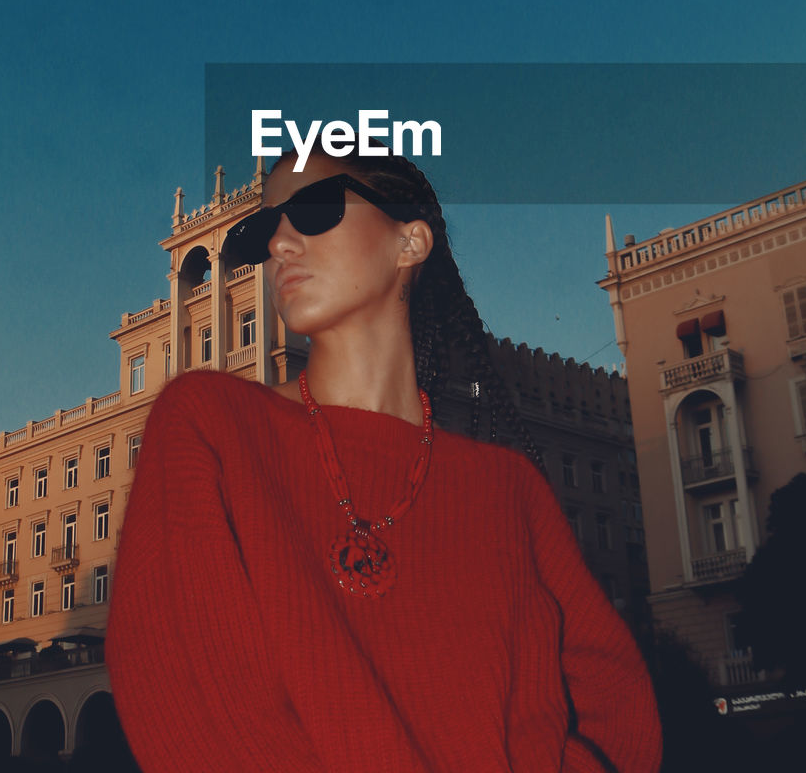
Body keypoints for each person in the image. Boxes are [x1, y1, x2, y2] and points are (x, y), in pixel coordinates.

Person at [106, 148, 662, 772]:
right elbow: (184, 690)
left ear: (410, 241)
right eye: (266, 229)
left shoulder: (510, 490)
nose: (280, 245)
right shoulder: (208, 427)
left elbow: (615, 700)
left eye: (313, 210)